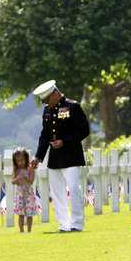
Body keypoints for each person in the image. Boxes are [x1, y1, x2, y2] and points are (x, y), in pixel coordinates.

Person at [29, 80, 90, 232]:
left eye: (47, 99)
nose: (46, 103)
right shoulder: (47, 111)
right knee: (57, 193)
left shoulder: (73, 106)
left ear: (56, 93)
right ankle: (64, 224)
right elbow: (45, 136)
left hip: (71, 155)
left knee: (74, 189)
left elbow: (84, 130)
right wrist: (38, 157)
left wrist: (65, 142)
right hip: (55, 158)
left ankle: (76, 223)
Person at [10, 147, 38, 232]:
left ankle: (29, 229)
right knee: (21, 214)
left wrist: (26, 177)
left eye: (22, 160)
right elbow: (12, 181)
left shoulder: (30, 169)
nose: (20, 162)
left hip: (28, 192)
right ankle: (21, 230)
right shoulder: (16, 169)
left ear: (26, 159)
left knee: (29, 213)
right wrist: (17, 179)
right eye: (18, 161)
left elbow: (31, 181)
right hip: (20, 193)